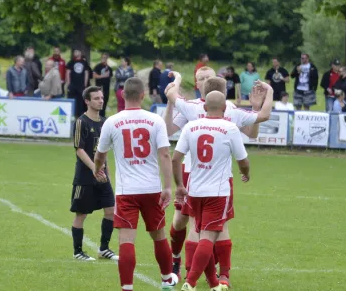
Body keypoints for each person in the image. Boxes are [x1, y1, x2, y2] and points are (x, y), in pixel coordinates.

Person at [164, 71, 272, 288]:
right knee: (209, 227)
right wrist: (266, 95)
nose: (203, 81)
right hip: (218, 180)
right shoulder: (230, 112)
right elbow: (258, 124)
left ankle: (200, 275)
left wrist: (175, 80)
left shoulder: (192, 109)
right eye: (200, 77)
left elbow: (172, 95)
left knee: (200, 227)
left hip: (194, 177)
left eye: (206, 77)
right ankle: (214, 276)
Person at [93, 77, 180, 291]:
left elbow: (100, 155)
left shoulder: (112, 121)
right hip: (151, 189)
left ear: (122, 95)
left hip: (126, 191)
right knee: (158, 235)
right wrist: (168, 187)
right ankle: (167, 279)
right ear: (143, 95)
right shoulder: (155, 120)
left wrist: (97, 170)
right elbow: (165, 154)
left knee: (126, 241)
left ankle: (127, 287)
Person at [173, 91, 250, 291]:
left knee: (198, 234)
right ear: (225, 109)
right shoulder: (229, 128)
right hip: (217, 192)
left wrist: (180, 185)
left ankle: (215, 284)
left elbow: (175, 158)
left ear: (204, 108)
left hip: (194, 190)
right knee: (209, 238)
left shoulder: (191, 126)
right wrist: (245, 173)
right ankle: (190, 282)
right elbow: (243, 160)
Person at [70, 86, 118, 261]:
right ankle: (78, 252)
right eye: (96, 98)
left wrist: (108, 174)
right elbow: (79, 149)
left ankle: (104, 249)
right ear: (87, 101)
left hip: (102, 176)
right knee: (81, 214)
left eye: (101, 97)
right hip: (85, 177)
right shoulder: (81, 122)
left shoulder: (105, 123)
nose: (100, 100)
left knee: (111, 210)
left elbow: (104, 152)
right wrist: (94, 168)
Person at [67, 50, 92, 117]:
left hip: (81, 85)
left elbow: (86, 73)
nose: (76, 53)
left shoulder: (84, 62)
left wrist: (85, 84)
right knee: (72, 99)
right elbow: (68, 72)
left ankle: (80, 115)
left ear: (80, 53)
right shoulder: (71, 62)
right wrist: (68, 83)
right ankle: (72, 114)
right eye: (74, 52)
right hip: (73, 85)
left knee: (80, 101)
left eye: (77, 52)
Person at [93, 53, 113, 117]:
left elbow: (110, 77)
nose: (103, 59)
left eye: (105, 58)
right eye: (102, 58)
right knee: (98, 102)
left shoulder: (109, 68)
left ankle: (102, 116)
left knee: (104, 102)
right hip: (99, 88)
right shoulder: (97, 67)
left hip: (106, 88)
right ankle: (96, 115)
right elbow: (94, 76)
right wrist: (103, 75)